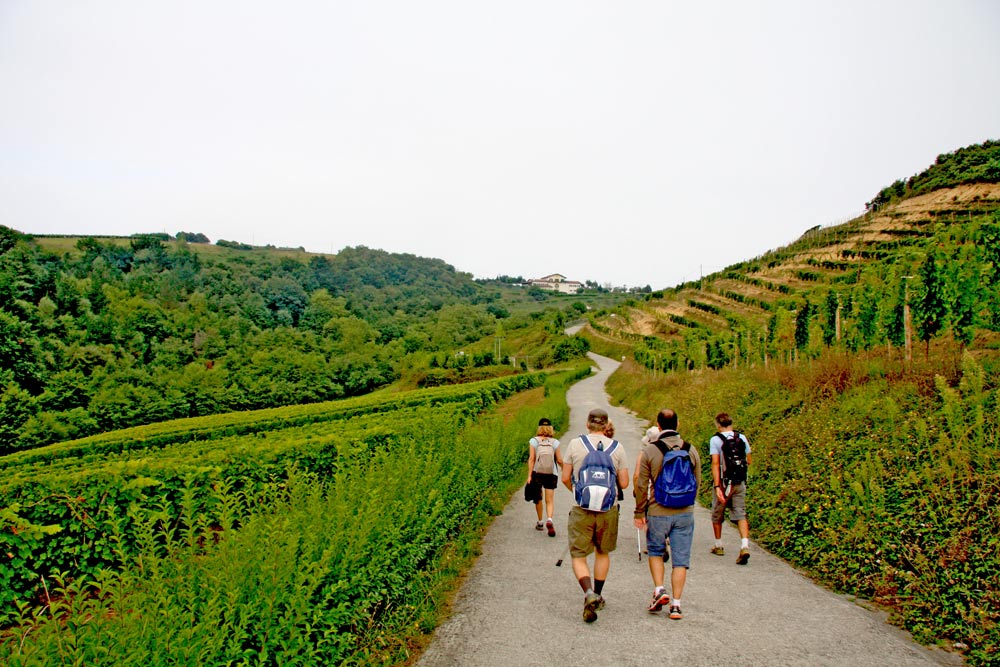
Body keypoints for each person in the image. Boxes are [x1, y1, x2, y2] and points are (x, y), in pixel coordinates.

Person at [561, 408, 629, 623]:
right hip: (608, 509)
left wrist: (578, 492)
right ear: (606, 425)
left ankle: (588, 590)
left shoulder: (575, 444)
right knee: (602, 552)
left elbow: (564, 477)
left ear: (587, 423)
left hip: (582, 507)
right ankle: (598, 594)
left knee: (579, 555)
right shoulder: (618, 448)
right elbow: (625, 483)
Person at [634, 408, 701, 620]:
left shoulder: (650, 451)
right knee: (681, 559)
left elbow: (641, 484)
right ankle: (676, 605)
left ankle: (659, 589)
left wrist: (639, 511)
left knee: (655, 551)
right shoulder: (691, 450)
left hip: (657, 510)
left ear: (658, 425)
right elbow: (697, 482)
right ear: (678, 425)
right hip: (684, 513)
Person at [709, 412, 752, 564]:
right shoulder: (741, 438)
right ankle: (745, 545)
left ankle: (719, 544)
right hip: (739, 482)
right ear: (731, 423)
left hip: (724, 483)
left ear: (718, 425)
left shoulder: (715, 440)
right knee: (740, 513)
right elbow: (749, 460)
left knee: (717, 513)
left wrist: (717, 485)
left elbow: (715, 463)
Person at [527, 417, 563, 536]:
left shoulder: (534, 441)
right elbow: (559, 460)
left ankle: (540, 521)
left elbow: (532, 459)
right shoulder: (555, 442)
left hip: (537, 473)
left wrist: (529, 476)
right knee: (550, 500)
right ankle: (550, 519)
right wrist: (565, 469)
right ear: (550, 428)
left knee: (538, 498)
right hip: (551, 473)